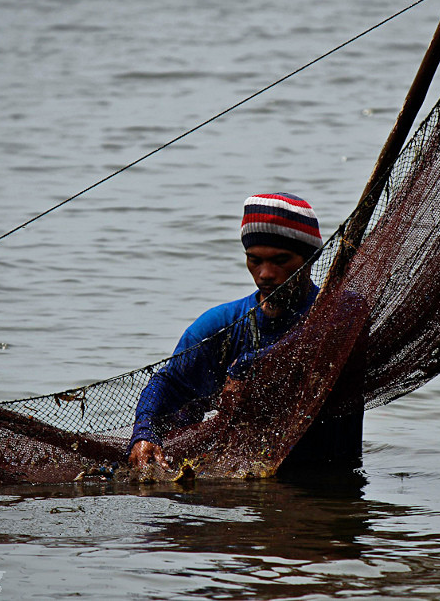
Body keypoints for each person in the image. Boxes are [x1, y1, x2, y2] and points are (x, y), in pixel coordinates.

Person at [128, 192, 365, 471]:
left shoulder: (340, 314)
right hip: (252, 480)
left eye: (280, 260)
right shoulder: (221, 327)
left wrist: (251, 366)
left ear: (311, 259)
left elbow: (318, 335)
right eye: (254, 260)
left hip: (334, 476)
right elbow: (169, 385)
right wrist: (143, 435)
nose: (265, 273)